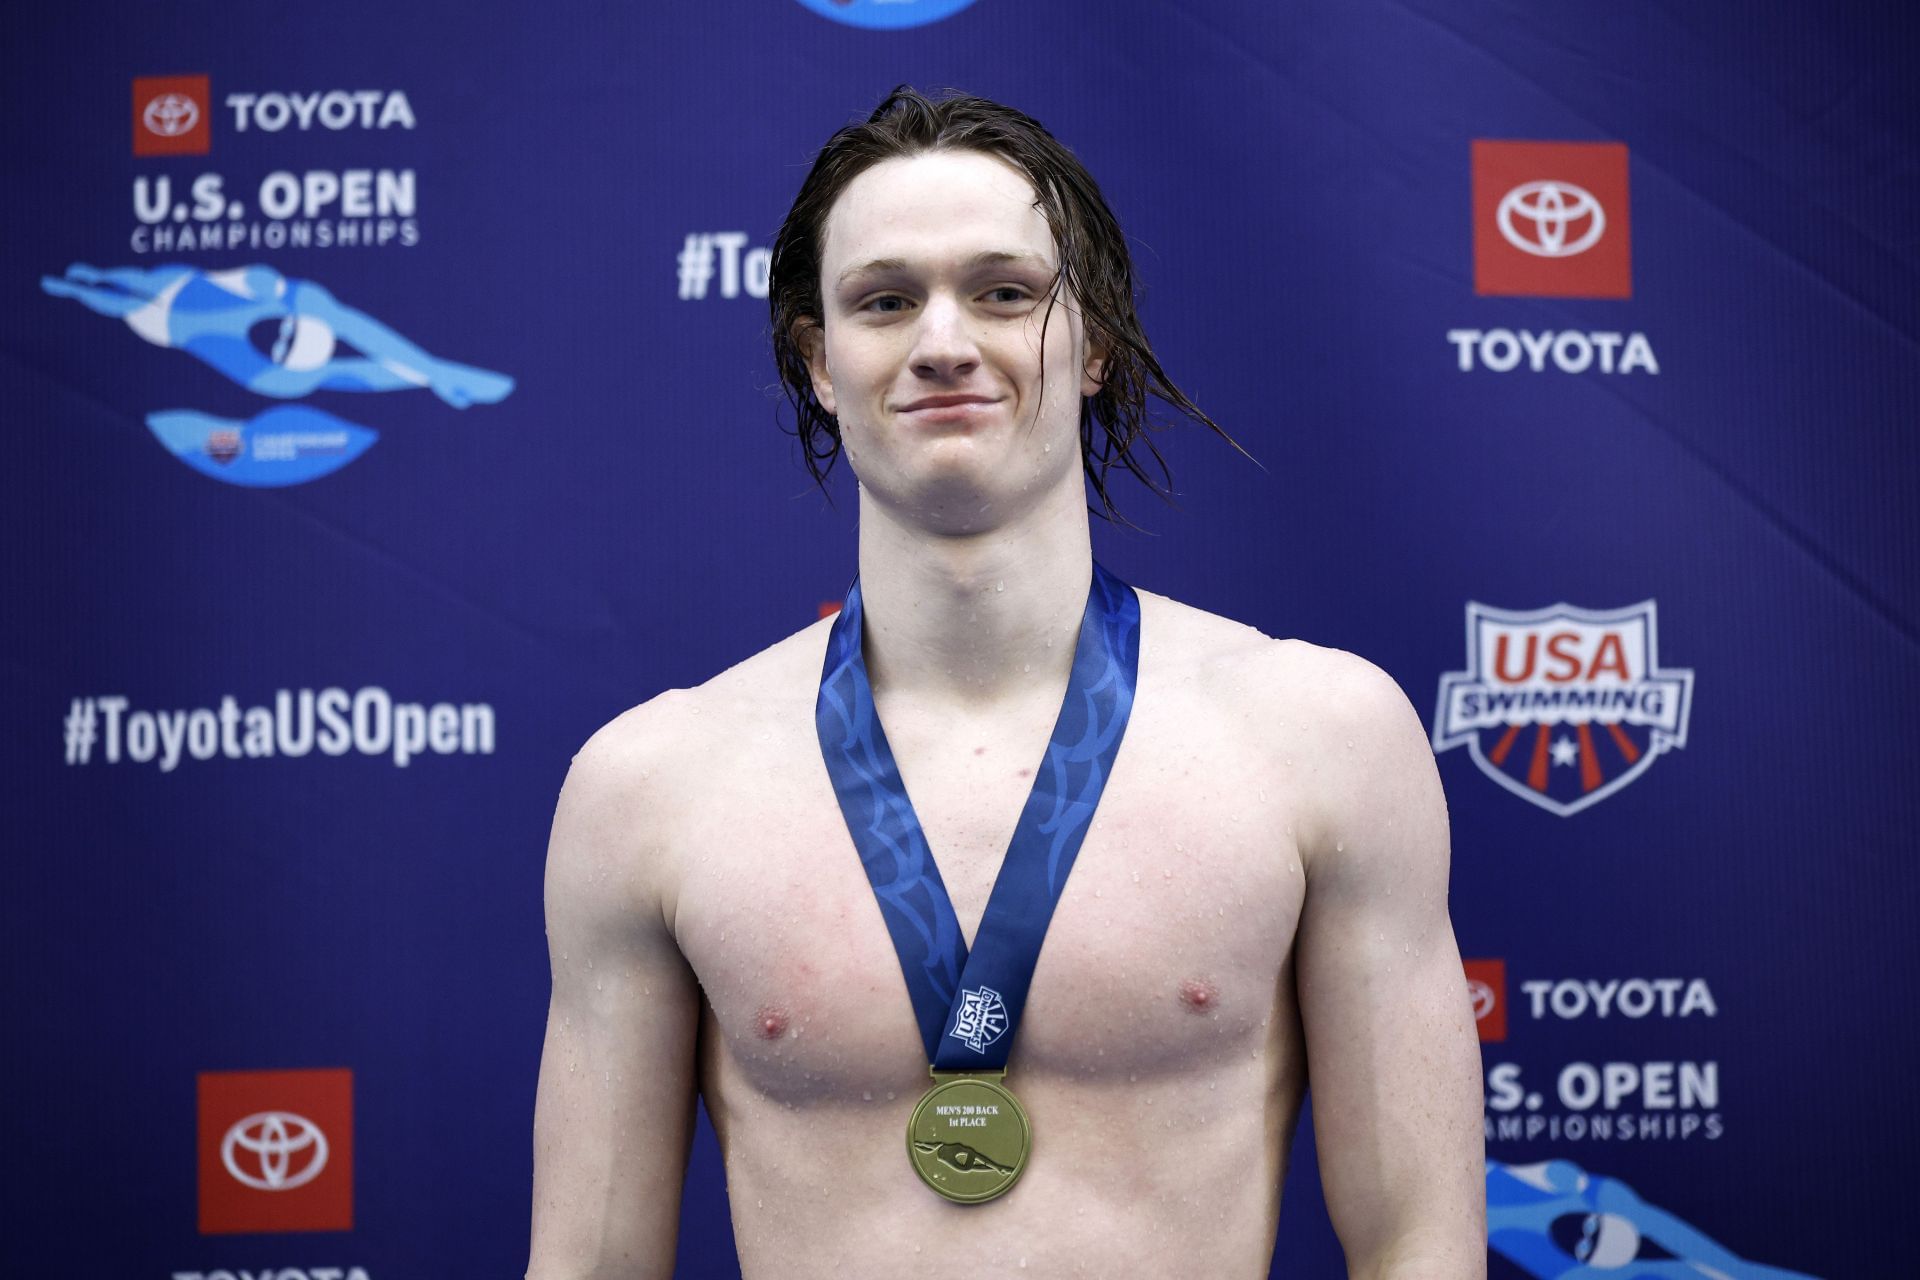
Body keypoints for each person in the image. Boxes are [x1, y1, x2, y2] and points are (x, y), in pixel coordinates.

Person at [526, 87, 1484, 1279]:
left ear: (1097, 343)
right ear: (819, 362)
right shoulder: (648, 787)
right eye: (885, 300)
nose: (942, 341)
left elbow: (1419, 1247)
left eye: (1004, 291)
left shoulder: (1323, 736)